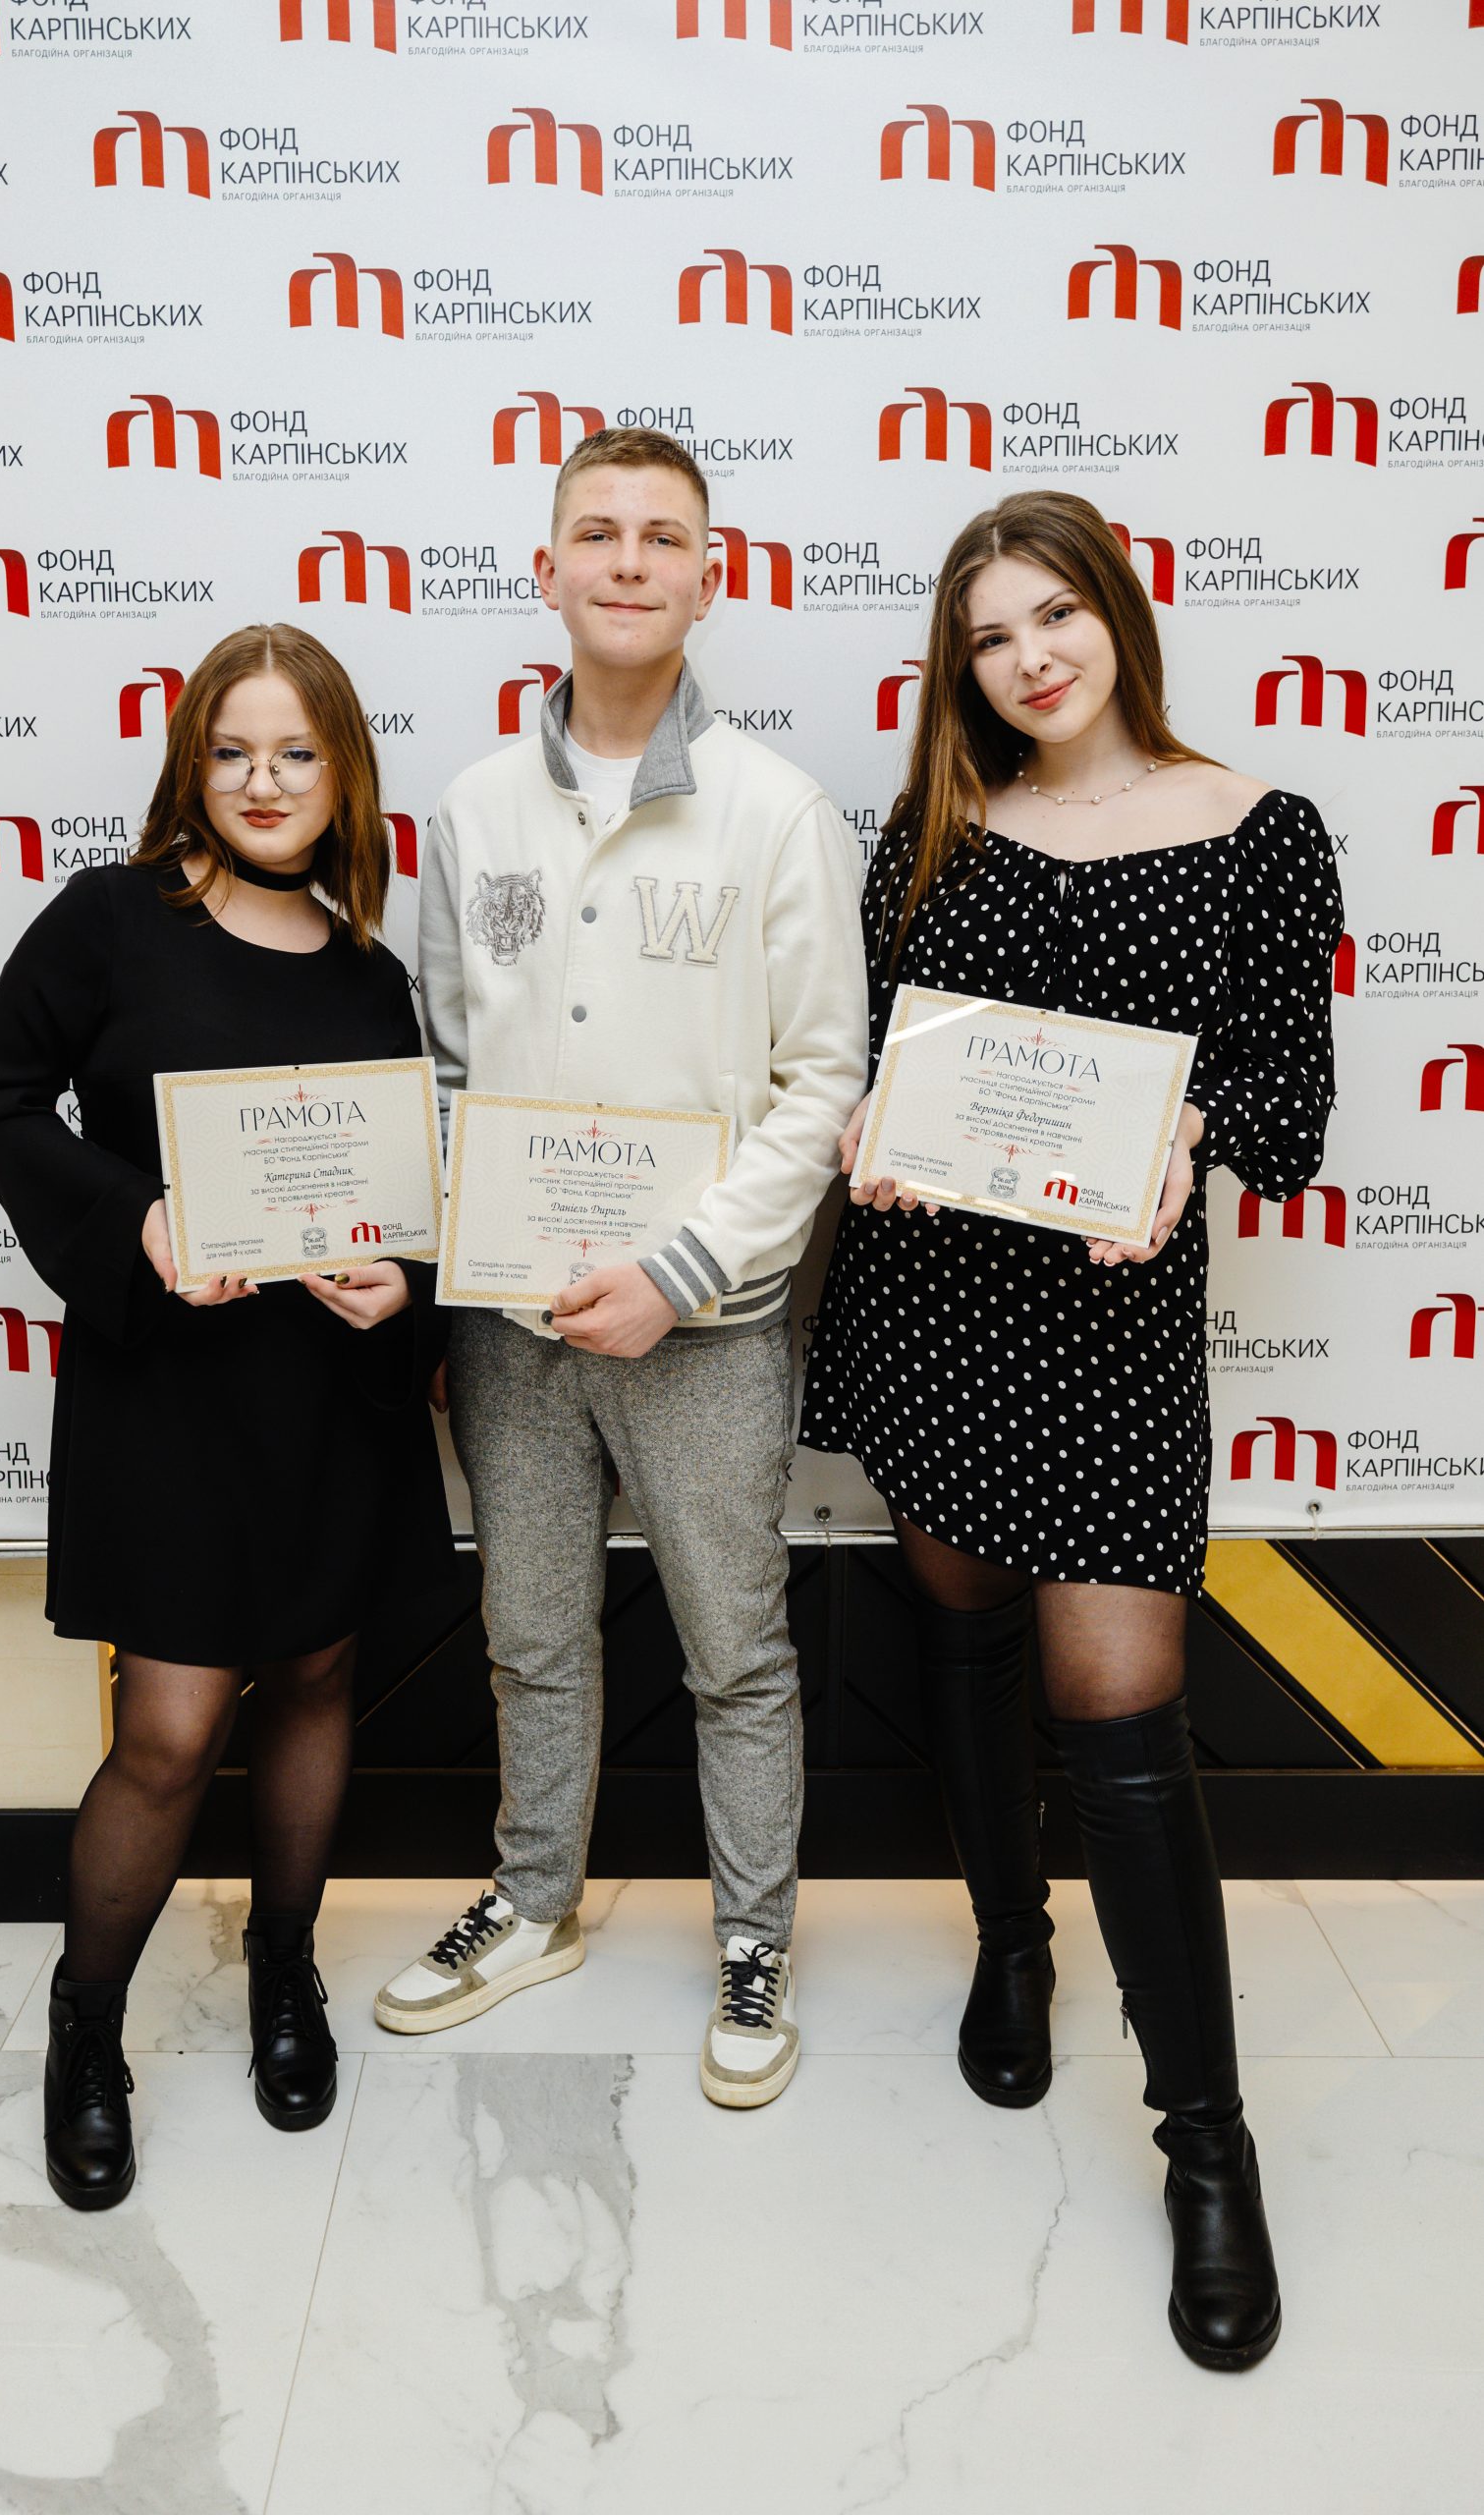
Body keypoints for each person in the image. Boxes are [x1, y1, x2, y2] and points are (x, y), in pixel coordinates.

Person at [800, 491, 1342, 2367]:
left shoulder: (1259, 829)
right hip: (938, 1303)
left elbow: (1289, 1100)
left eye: (1054, 615)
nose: (1029, 658)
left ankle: (1207, 2143)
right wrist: (871, 1133)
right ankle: (1012, 1945)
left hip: (1111, 1331)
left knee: (1122, 1719)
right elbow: (882, 1056)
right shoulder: (935, 829)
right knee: (962, 1643)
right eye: (989, 636)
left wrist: (1189, 1133)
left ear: (1116, 613)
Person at [371, 426, 868, 2106]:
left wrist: (678, 1269)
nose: (631, 560)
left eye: (665, 536)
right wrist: (478, 1246)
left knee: (735, 1648)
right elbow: (449, 1066)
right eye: (599, 532)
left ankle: (753, 1940)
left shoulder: (777, 812)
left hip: (704, 1321)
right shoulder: (473, 809)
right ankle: (535, 1902)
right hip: (512, 1323)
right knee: (529, 1630)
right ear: (549, 570)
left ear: (710, 577)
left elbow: (825, 1084)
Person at [0, 624, 451, 2208]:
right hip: (166, 1393)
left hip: (329, 1395)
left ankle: (283, 1968)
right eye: (232, 751)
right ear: (193, 765)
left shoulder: (374, 976)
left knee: (314, 1677)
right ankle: (86, 2026)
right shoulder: (109, 920)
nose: (263, 780)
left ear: (343, 776)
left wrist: (401, 1285)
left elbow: (403, 1201)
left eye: (296, 753)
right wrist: (140, 1221)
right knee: (169, 1734)